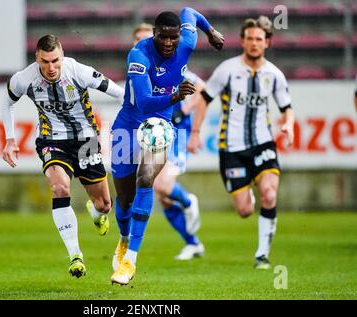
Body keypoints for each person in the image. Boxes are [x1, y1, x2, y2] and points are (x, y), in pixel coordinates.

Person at [110, 7, 224, 285]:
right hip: (127, 125)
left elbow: (189, 12)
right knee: (124, 200)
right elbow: (145, 101)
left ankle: (130, 261)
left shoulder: (187, 40)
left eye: (173, 37)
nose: (169, 43)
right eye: (163, 37)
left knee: (146, 178)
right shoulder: (138, 55)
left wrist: (210, 32)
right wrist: (175, 96)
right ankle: (124, 239)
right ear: (155, 34)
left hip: (158, 126)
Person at [1, 35, 124, 278]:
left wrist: (126, 125)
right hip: (51, 140)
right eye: (45, 62)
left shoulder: (79, 71)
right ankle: (75, 255)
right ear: (37, 57)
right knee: (60, 188)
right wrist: (10, 139)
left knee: (104, 205)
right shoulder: (24, 79)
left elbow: (120, 95)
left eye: (55, 60)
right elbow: (7, 103)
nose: (51, 68)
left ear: (63, 55)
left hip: (86, 140)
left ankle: (97, 214)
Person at [188, 16, 295, 270]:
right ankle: (250, 189)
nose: (254, 43)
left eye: (259, 39)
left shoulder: (275, 75)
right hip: (231, 148)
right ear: (243, 41)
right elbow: (204, 98)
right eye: (250, 39)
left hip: (263, 143)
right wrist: (195, 132)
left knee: (269, 194)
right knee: (245, 210)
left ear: (267, 42)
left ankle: (262, 255)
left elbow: (287, 107)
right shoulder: (227, 70)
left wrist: (288, 123)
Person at [132, 23, 206, 260]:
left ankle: (187, 201)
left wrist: (185, 112)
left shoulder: (173, 65)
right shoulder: (137, 68)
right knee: (163, 197)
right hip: (150, 135)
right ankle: (193, 243)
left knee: (161, 185)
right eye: (139, 41)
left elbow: (202, 89)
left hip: (174, 134)